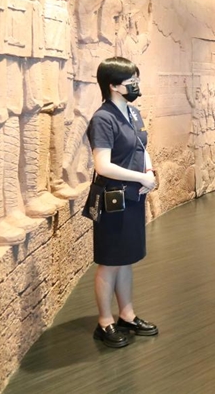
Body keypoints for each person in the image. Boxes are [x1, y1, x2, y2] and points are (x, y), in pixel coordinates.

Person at [87, 57, 158, 348]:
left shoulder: (133, 112)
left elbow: (141, 147)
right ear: (114, 86)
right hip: (113, 200)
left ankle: (127, 315)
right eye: (131, 82)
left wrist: (149, 171)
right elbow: (102, 165)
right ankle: (105, 322)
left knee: (125, 259)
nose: (136, 86)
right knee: (109, 262)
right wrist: (141, 178)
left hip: (133, 196)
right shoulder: (102, 119)